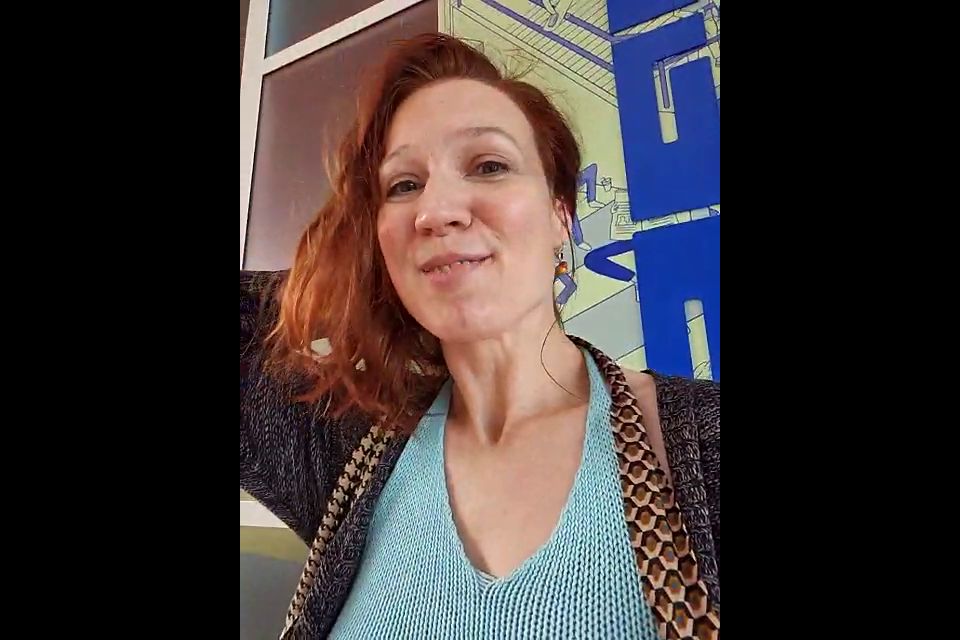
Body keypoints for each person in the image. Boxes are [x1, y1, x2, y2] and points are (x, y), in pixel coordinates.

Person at [240, 33, 719, 640]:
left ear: (560, 216)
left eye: (489, 166)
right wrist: (338, 276)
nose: (435, 210)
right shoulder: (351, 452)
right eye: (403, 185)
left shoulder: (702, 441)